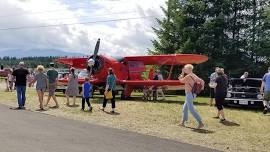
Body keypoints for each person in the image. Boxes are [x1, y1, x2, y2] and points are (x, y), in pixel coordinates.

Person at [178, 64, 205, 129]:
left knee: (191, 109)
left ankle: (200, 123)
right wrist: (202, 87)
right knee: (185, 108)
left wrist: (182, 73)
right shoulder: (193, 75)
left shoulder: (188, 76)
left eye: (185, 69)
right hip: (193, 94)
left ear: (189, 69)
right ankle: (182, 123)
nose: (185, 70)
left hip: (189, 94)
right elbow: (202, 81)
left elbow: (181, 80)